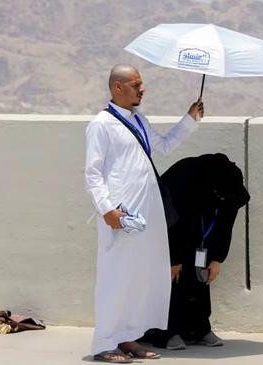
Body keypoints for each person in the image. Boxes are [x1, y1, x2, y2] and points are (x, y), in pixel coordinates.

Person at [85, 64, 204, 363]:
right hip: (119, 215)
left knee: (137, 278)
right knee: (116, 277)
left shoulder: (138, 120)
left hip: (143, 215)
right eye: (136, 84)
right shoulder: (102, 124)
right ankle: (103, 344)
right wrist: (107, 210)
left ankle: (126, 338)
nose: (142, 89)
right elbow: (92, 173)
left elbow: (163, 146)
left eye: (141, 84)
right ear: (117, 88)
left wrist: (190, 119)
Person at [140, 153, 250, 350]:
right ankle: (166, 332)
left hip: (198, 235)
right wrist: (173, 258)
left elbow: (226, 220)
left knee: (200, 276)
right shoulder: (182, 178)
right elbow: (168, 219)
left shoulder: (227, 182)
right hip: (168, 231)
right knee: (174, 279)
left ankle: (198, 329)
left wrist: (217, 258)